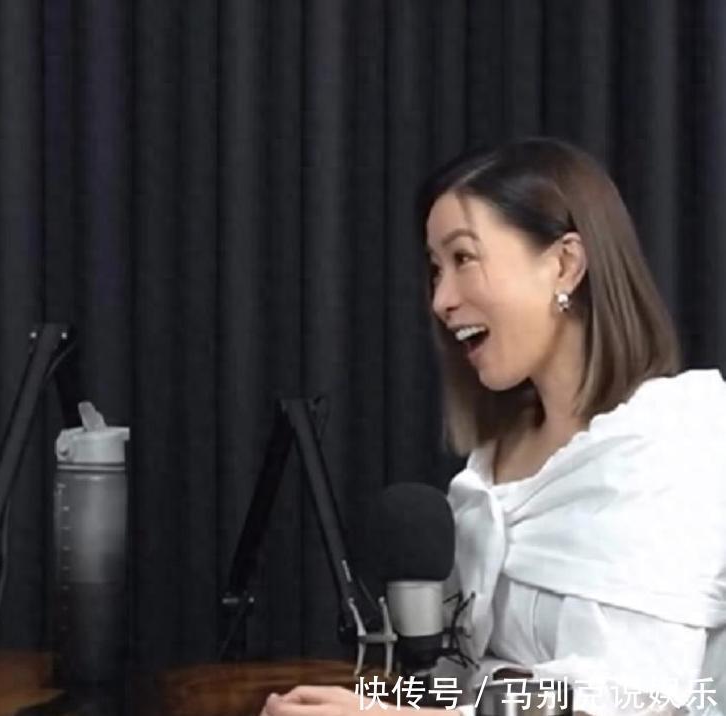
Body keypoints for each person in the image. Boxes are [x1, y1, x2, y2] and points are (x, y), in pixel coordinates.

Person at [261, 138, 726, 716]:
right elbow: (462, 688)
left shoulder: (673, 446)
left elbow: (625, 698)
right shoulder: (487, 472)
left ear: (565, 264)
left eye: (463, 258)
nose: (441, 299)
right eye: (436, 270)